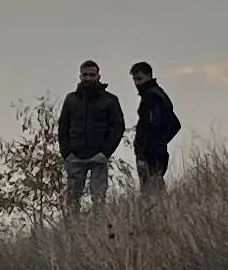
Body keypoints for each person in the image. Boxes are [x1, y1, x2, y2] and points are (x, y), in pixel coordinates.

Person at [57, 60, 125, 213]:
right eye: (85, 75)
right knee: (72, 201)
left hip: (98, 157)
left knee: (99, 199)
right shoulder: (71, 100)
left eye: (92, 75)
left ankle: (98, 230)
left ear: (98, 76)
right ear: (80, 76)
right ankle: (73, 232)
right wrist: (66, 153)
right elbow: (63, 126)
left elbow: (118, 127)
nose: (88, 78)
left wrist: (105, 152)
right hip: (75, 157)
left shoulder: (110, 100)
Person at [131, 62, 181, 197]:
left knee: (151, 193)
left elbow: (154, 125)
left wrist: (146, 149)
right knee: (155, 188)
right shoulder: (158, 94)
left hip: (151, 154)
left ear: (149, 76)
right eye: (135, 79)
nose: (136, 83)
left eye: (139, 78)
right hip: (157, 151)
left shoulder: (151, 96)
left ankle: (158, 216)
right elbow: (175, 124)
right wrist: (161, 141)